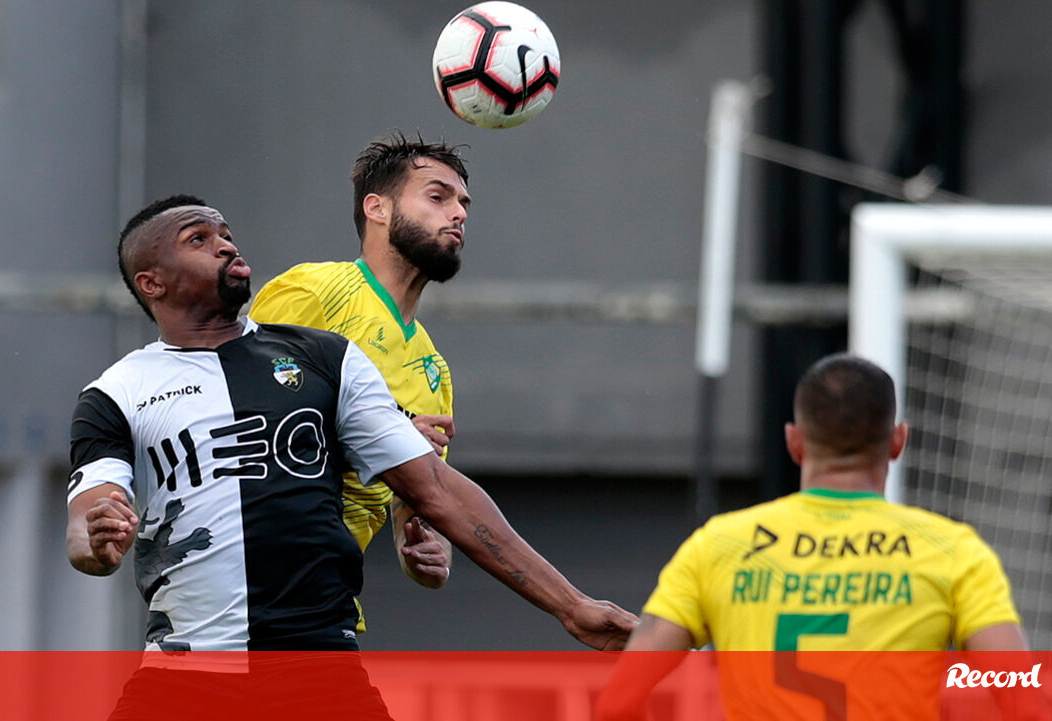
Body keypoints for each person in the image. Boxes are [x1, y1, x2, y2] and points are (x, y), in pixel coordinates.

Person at [66, 193, 636, 655]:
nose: (226, 244)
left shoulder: (326, 359)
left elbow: (435, 489)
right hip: (186, 670)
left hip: (318, 662)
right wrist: (96, 543)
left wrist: (571, 606)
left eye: (226, 234)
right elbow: (85, 525)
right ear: (152, 283)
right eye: (199, 239)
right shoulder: (116, 392)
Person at [596, 354, 1033, 721]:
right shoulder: (951, 550)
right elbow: (1023, 704)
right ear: (898, 441)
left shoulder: (720, 546)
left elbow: (618, 704)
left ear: (794, 442)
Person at [248, 132, 467, 633]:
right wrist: (385, 438)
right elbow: (245, 431)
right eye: (438, 197)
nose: (458, 213)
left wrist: (429, 551)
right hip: (249, 594)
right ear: (377, 208)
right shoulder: (313, 292)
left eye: (462, 203)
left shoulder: (434, 369)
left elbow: (414, 501)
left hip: (327, 602)